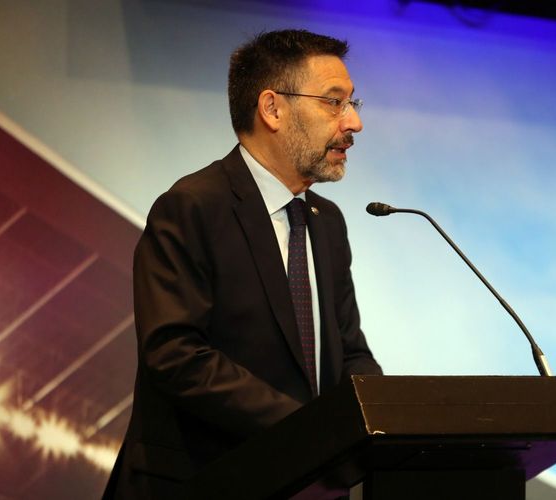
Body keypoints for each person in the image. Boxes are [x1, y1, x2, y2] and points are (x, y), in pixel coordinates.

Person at [104, 29, 382, 499]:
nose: (353, 122)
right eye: (334, 102)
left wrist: (382, 417)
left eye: (352, 103)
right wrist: (310, 429)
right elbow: (176, 355)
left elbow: (349, 350)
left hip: (306, 485)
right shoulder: (193, 207)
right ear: (272, 108)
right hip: (202, 483)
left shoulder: (327, 222)